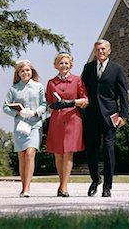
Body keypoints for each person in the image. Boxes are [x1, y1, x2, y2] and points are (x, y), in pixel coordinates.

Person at [81, 39, 129, 198]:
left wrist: (124, 115)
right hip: (91, 116)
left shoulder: (117, 69)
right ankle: (95, 180)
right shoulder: (87, 68)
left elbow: (123, 94)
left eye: (103, 49)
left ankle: (107, 187)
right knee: (91, 150)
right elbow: (82, 91)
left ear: (108, 51)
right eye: (97, 50)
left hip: (110, 116)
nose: (100, 52)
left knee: (108, 150)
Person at [46, 53, 88, 197]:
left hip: (72, 119)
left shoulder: (77, 80)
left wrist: (71, 103)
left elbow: (85, 100)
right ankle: (61, 184)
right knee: (58, 153)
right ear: (56, 65)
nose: (64, 66)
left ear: (71, 65)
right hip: (57, 119)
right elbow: (49, 103)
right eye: (61, 63)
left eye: (66, 63)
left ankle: (64, 186)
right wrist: (54, 105)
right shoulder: (51, 83)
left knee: (69, 152)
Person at [3, 59, 46, 198]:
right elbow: (5, 107)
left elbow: (44, 105)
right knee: (22, 157)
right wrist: (17, 112)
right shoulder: (13, 89)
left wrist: (34, 112)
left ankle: (27, 188)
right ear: (18, 73)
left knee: (30, 153)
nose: (25, 72)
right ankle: (23, 187)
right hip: (21, 126)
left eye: (27, 70)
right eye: (22, 71)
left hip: (35, 124)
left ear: (31, 71)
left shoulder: (39, 86)